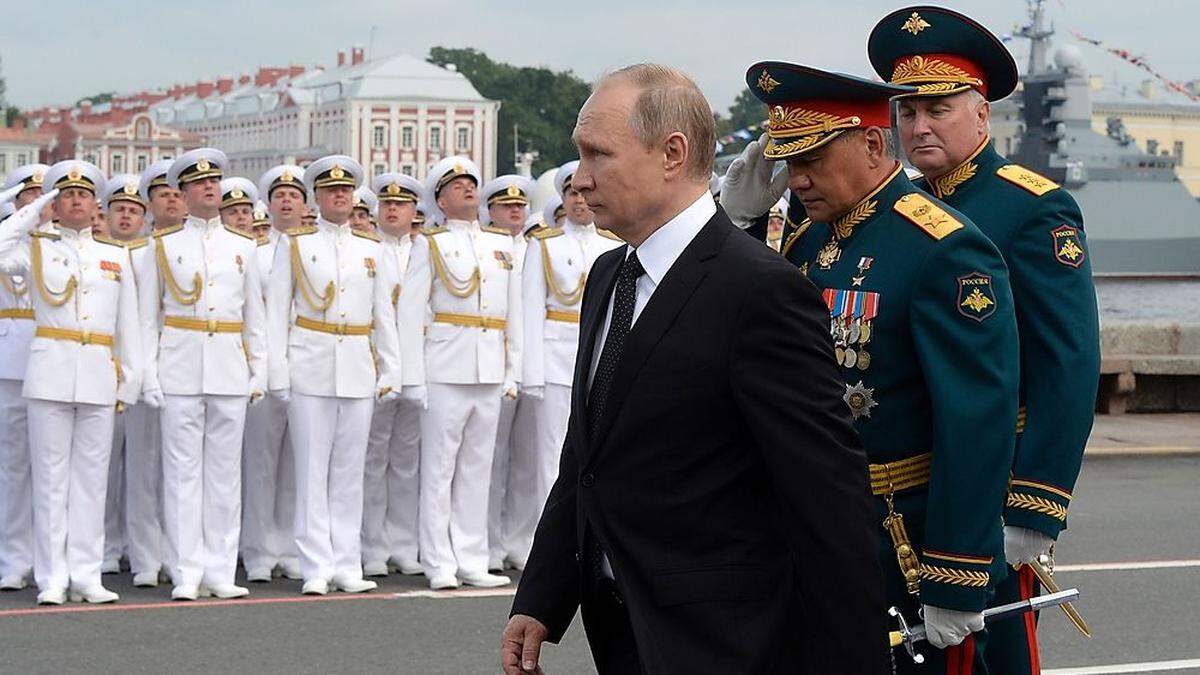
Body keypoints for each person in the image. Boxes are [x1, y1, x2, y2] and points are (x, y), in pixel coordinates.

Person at [502, 63, 888, 675]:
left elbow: (827, 496)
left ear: (672, 154)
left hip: (727, 641)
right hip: (624, 632)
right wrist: (544, 595)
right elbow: (587, 455)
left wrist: (857, 660)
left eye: (598, 154)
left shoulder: (758, 290)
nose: (580, 177)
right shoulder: (610, 277)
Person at [728, 59, 1022, 670]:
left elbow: (975, 421)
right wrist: (740, 225)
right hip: (814, 524)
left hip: (899, 537)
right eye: (789, 162)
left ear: (869, 143)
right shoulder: (810, 240)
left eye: (811, 159)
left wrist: (958, 572)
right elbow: (748, 331)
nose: (797, 179)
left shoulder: (943, 247)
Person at [867, 7, 1101, 671]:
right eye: (907, 113)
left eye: (937, 110)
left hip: (993, 488)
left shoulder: (1030, 207)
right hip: (908, 487)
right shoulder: (899, 212)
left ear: (982, 115)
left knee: (993, 655)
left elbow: (1069, 362)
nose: (918, 127)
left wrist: (1036, 507)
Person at [0, 160, 142, 605]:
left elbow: (129, 326)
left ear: (95, 204)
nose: (75, 200)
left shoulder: (115, 255)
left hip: (99, 372)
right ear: (55, 204)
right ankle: (51, 577)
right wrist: (35, 206)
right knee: (49, 480)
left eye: (82, 195)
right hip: (49, 374)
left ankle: (85, 574)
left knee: (91, 481)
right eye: (65, 194)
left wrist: (130, 382)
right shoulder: (35, 247)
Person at [266, 155, 402, 595]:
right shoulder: (296, 245)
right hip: (310, 363)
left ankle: (346, 561)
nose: (339, 196)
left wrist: (390, 368)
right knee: (312, 471)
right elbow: (276, 313)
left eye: (345, 190)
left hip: (357, 367)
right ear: (317, 198)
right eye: (330, 191)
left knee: (348, 471)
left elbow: (385, 315)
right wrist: (278, 371)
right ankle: (315, 565)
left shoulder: (372, 249)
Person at [139, 148, 268, 601]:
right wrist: (149, 375)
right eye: (199, 183)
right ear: (184, 193)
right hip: (178, 365)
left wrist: (259, 370)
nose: (209, 188)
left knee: (223, 475)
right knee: (182, 473)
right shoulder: (162, 246)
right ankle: (187, 569)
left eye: (214, 181)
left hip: (229, 366)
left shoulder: (244, 247)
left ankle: (219, 567)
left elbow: (256, 315)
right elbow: (145, 319)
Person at [396, 156, 519, 590]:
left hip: (488, 367)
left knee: (476, 470)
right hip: (445, 368)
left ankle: (471, 557)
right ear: (441, 201)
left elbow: (514, 313)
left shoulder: (501, 244)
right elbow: (410, 314)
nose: (468, 189)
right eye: (457, 186)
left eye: (471, 183)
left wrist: (512, 370)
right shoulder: (429, 244)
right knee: (439, 470)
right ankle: (438, 561)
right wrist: (411, 378)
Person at [509, 162, 623, 571]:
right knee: (549, 460)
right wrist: (531, 373)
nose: (579, 201)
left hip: (600, 364)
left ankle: (592, 540)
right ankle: (548, 549)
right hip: (555, 361)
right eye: (571, 194)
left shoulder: (612, 246)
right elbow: (529, 311)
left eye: (583, 193)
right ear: (562, 198)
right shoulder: (544, 245)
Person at [240, 164, 307, 583]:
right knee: (262, 464)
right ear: (268, 204)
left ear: (305, 204)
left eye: (294, 195)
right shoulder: (255, 252)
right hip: (266, 367)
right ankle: (259, 549)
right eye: (279, 195)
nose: (286, 201)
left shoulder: (312, 248)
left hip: (308, 367)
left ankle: (288, 546)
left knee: (295, 466)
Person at [360, 172, 426, 577]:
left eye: (400, 205)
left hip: (418, 363)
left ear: (414, 211)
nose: (393, 210)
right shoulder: (367, 251)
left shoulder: (425, 249)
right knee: (372, 459)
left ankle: (403, 543)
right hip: (374, 365)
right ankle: (371, 546)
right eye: (386, 204)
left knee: (407, 460)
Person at [477, 173, 540, 573]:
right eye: (505, 206)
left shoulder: (538, 247)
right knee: (490, 459)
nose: (514, 212)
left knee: (529, 461)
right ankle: (487, 542)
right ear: (491, 211)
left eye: (519, 206)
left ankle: (520, 540)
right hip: (488, 361)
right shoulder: (486, 249)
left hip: (534, 362)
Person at [0, 164, 49, 592]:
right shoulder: (8, 243)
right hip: (11, 362)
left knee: (53, 469)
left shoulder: (60, 246)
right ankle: (14, 556)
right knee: (15, 467)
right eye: (29, 197)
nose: (38, 205)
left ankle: (51, 555)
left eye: (44, 197)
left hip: (55, 358)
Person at [98, 174, 148, 576]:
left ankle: (142, 545)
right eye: (120, 210)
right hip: (102, 369)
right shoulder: (96, 254)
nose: (127, 216)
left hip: (146, 371)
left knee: (146, 467)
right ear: (107, 215)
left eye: (134, 210)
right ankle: (107, 545)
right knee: (105, 468)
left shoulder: (153, 255)